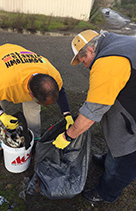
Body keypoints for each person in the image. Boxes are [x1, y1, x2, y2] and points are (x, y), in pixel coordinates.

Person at [53, 29, 136, 203]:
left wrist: (68, 135)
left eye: (83, 60)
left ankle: (106, 193)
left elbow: (92, 112)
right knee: (118, 144)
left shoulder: (108, 64)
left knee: (127, 155)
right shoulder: (115, 40)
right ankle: (109, 159)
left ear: (91, 50)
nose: (85, 65)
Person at [0, 43, 73, 168]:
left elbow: (60, 90)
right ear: (30, 93)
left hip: (21, 59)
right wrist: (1, 115)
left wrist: (67, 114)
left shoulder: (52, 74)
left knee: (33, 111)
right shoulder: (2, 83)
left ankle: (33, 142)